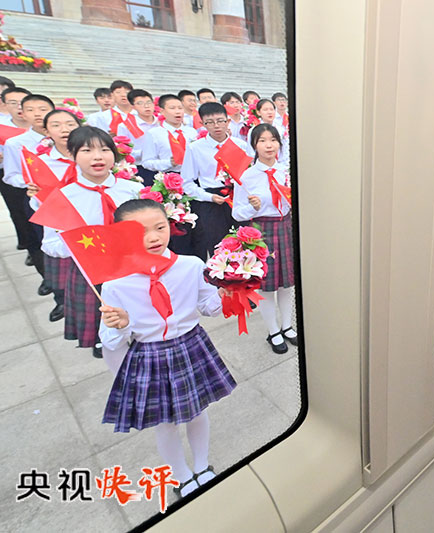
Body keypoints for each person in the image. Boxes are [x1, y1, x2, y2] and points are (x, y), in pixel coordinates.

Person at [99, 198, 236, 498]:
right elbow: (109, 342)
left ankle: (202, 466)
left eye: (159, 227)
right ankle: (181, 475)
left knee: (198, 411)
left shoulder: (191, 266)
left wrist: (229, 292)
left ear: (170, 226)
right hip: (150, 355)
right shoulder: (116, 284)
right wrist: (120, 325)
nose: (153, 237)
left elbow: (208, 307)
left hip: (191, 346)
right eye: (139, 232)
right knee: (165, 423)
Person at [58, 126, 143, 357]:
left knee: (140, 312)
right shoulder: (64, 197)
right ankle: (102, 341)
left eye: (105, 150)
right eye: (87, 150)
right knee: (104, 317)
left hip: (133, 264)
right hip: (91, 269)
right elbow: (50, 245)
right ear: (72, 154)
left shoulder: (134, 189)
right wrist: (80, 245)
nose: (98, 157)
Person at [231, 123, 297, 353]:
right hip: (262, 231)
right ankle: (273, 331)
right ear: (254, 145)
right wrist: (253, 208)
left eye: (273, 140)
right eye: (262, 141)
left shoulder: (286, 172)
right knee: (267, 287)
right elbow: (236, 213)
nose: (269, 145)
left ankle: (287, 326)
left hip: (285, 228)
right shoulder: (246, 177)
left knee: (287, 285)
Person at [26, 109, 81, 322]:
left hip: (92, 224)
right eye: (56, 125)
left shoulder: (94, 156)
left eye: (70, 124)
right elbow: (37, 205)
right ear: (47, 132)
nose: (64, 129)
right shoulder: (41, 163)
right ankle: (63, 303)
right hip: (59, 227)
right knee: (64, 277)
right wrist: (35, 196)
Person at [181, 102, 254, 258]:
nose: (216, 126)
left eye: (220, 121)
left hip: (237, 198)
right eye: (210, 122)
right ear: (202, 124)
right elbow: (186, 182)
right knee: (216, 245)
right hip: (210, 200)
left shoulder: (241, 145)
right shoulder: (195, 148)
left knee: (242, 243)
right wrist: (209, 197)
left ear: (228, 121)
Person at [4, 94, 55, 291]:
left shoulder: (66, 137)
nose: (38, 114)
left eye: (43, 109)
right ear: (23, 114)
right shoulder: (16, 143)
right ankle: (50, 283)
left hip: (67, 197)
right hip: (37, 197)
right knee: (41, 240)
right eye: (31, 110)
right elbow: (10, 176)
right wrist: (29, 182)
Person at [0, 87, 32, 255]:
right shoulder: (3, 128)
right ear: (5, 104)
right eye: (13, 103)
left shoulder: (45, 126)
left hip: (43, 179)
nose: (19, 107)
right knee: (20, 213)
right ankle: (30, 247)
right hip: (14, 178)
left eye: (22, 103)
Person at [141, 93, 198, 178]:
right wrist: (169, 162)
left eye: (180, 108)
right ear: (162, 111)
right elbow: (146, 162)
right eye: (172, 108)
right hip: (168, 177)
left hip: (192, 176)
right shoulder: (154, 133)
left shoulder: (192, 132)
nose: (178, 111)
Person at [117, 89, 159, 186]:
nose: (146, 106)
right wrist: (145, 152)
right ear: (133, 106)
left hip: (165, 166)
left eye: (149, 102)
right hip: (141, 168)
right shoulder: (125, 126)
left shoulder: (162, 123)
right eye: (140, 103)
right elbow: (124, 152)